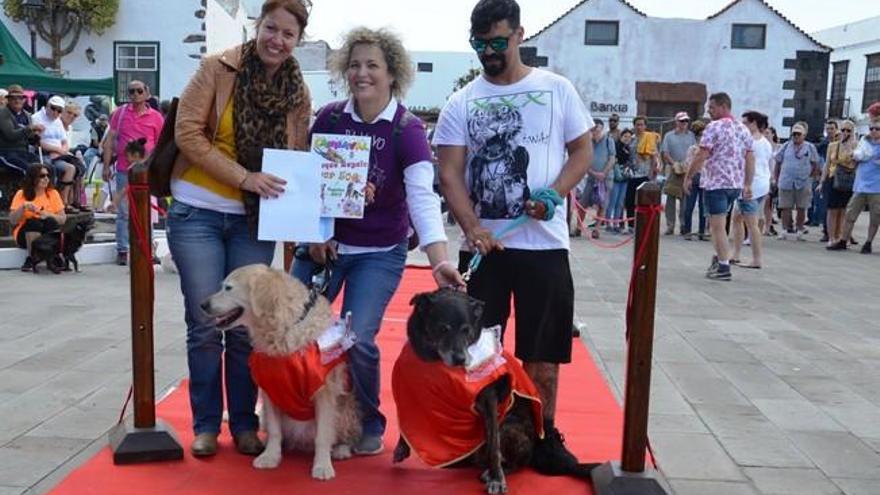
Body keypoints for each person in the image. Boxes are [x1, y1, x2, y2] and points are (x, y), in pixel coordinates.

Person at [435, 0, 594, 471]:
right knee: (478, 348)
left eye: (498, 43)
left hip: (543, 245)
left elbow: (582, 152)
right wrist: (473, 227)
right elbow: (450, 171)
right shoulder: (461, 101)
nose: (489, 52)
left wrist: (555, 192)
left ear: (519, 35)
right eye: (479, 44)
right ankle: (479, 435)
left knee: (542, 351)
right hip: (486, 248)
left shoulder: (555, 88)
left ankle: (544, 436)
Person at [294, 26, 463, 455]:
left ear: (393, 74)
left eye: (373, 65)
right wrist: (315, 237)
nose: (361, 73)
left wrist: (440, 259)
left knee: (360, 337)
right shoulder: (330, 118)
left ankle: (370, 420)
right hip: (324, 248)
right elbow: (311, 186)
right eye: (354, 64)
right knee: (292, 328)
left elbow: (423, 200)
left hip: (379, 251)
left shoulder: (406, 130)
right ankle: (296, 414)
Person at [167, 0, 313, 458]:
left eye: (288, 34)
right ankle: (207, 424)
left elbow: (301, 152)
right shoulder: (218, 67)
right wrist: (244, 178)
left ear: (297, 40)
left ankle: (247, 424)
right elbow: (186, 134)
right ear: (258, 25)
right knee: (206, 322)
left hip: (255, 220)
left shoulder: (297, 90)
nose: (277, 40)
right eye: (271, 28)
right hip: (198, 212)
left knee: (247, 326)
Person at [684, 92, 754, 281]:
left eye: (712, 107)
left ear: (723, 106)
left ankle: (724, 266)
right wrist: (747, 183)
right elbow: (749, 158)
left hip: (716, 183)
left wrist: (689, 176)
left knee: (717, 226)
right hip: (735, 184)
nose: (709, 110)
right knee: (721, 224)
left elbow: (701, 155)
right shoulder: (743, 129)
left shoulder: (713, 127)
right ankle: (719, 257)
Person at [103, 80, 164, 265]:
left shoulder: (156, 117)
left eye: (139, 90)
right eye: (132, 91)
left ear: (147, 93)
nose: (135, 94)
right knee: (124, 211)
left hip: (146, 171)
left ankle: (147, 248)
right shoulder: (119, 114)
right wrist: (106, 166)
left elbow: (161, 145)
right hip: (124, 168)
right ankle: (123, 249)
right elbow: (110, 140)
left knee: (147, 212)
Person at [829, 118, 880, 253]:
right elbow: (858, 154)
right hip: (861, 185)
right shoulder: (864, 141)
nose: (873, 131)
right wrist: (855, 154)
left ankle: (868, 243)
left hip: (877, 188)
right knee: (850, 214)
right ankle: (843, 240)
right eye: (871, 128)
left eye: (877, 129)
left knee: (875, 217)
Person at [731, 111, 772, 268]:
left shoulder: (750, 142)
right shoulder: (765, 142)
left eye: (745, 123)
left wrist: (745, 184)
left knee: (751, 223)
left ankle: (756, 259)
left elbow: (748, 163)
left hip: (750, 185)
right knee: (737, 218)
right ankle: (736, 253)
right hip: (761, 184)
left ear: (754, 123)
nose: (743, 126)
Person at [8, 163, 66, 271]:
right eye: (42, 176)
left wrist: (48, 214)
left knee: (50, 221)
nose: (46, 179)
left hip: (47, 234)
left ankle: (54, 256)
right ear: (33, 178)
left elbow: (63, 219)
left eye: (48, 176)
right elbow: (12, 220)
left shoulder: (53, 193)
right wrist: (23, 207)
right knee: (33, 222)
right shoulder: (21, 193)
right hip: (25, 235)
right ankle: (32, 257)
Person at [773, 122, 820, 241]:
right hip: (786, 180)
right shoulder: (785, 146)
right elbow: (778, 162)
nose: (796, 136)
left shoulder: (810, 147)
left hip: (803, 181)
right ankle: (784, 230)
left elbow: (815, 164)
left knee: (801, 207)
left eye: (798, 134)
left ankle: (799, 230)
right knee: (785, 206)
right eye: (794, 134)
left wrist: (811, 177)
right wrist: (776, 178)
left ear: (804, 135)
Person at [31, 95, 78, 209]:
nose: (56, 112)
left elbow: (64, 141)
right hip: (43, 153)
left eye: (59, 110)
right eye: (53, 108)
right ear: (47, 106)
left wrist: (62, 151)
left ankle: (65, 201)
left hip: (58, 154)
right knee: (50, 169)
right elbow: (37, 142)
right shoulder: (37, 118)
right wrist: (56, 150)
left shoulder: (58, 121)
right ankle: (50, 200)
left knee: (76, 166)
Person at [821, 119, 857, 249]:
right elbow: (827, 164)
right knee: (832, 210)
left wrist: (850, 146)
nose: (845, 132)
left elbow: (856, 163)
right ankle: (831, 237)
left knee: (843, 210)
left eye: (849, 130)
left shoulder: (856, 145)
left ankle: (841, 236)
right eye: (843, 130)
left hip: (848, 180)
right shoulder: (833, 146)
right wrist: (822, 181)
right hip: (833, 178)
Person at [660, 111, 697, 235]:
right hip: (673, 168)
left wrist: (687, 165)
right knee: (670, 198)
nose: (684, 123)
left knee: (685, 198)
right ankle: (670, 225)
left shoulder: (691, 136)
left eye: (686, 121)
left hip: (687, 168)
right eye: (682, 121)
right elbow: (665, 153)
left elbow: (695, 151)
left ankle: (683, 225)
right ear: (676, 122)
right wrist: (674, 163)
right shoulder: (669, 135)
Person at [577, 118, 614, 238]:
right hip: (591, 178)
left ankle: (597, 229)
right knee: (583, 202)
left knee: (602, 204)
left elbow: (612, 159)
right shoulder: (587, 142)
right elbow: (582, 159)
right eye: (592, 130)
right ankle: (578, 227)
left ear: (601, 128)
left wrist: (603, 173)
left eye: (597, 129)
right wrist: (592, 172)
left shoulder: (609, 140)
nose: (595, 132)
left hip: (606, 178)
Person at [624, 116, 660, 233]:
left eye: (641, 125)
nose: (639, 127)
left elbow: (654, 156)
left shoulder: (649, 138)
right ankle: (631, 225)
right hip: (632, 174)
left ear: (645, 126)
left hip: (645, 174)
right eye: (637, 125)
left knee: (644, 202)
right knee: (630, 201)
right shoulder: (631, 139)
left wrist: (653, 171)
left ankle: (643, 225)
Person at [0, 86, 43, 176]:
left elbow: (29, 139)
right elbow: (11, 135)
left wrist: (35, 138)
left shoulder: (27, 115)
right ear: (8, 99)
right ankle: (26, 190)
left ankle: (46, 190)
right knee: (29, 171)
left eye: (20, 98)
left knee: (45, 169)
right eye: (13, 98)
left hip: (24, 153)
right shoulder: (3, 113)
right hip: (6, 153)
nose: (17, 101)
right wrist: (30, 128)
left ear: (24, 100)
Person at [811, 119, 839, 236]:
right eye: (828, 129)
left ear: (836, 129)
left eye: (832, 128)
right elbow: (818, 158)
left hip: (840, 177)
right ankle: (827, 231)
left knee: (839, 206)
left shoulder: (841, 142)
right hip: (826, 176)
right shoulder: (823, 144)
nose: (830, 131)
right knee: (825, 204)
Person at [682, 120, 707, 241]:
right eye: (701, 135)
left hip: (705, 177)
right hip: (696, 176)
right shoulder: (693, 149)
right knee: (690, 205)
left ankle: (700, 231)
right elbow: (688, 164)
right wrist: (688, 178)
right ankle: (688, 230)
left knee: (703, 206)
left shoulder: (705, 148)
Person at [606, 128, 632, 233]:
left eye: (629, 137)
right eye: (625, 136)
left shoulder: (628, 148)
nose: (627, 139)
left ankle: (616, 223)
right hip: (616, 176)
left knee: (620, 202)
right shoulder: (616, 146)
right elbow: (614, 159)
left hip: (624, 176)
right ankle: (608, 222)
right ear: (621, 137)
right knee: (613, 200)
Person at [763, 126, 781, 236]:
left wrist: (775, 177)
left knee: (769, 204)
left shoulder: (778, 147)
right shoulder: (762, 146)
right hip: (763, 176)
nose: (766, 135)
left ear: (773, 134)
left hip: (773, 177)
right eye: (764, 133)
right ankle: (765, 225)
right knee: (764, 203)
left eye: (768, 133)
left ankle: (768, 226)